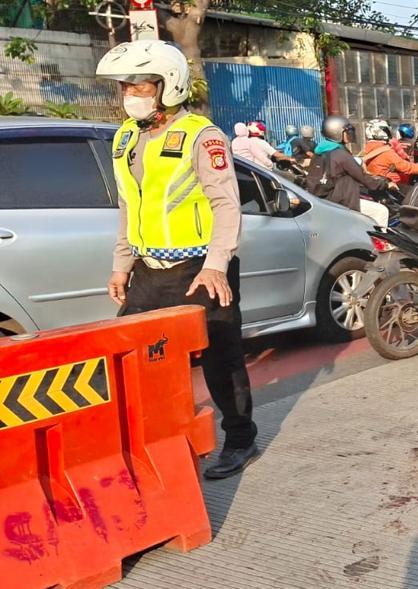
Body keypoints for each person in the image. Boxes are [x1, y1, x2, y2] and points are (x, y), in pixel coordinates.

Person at [96, 39, 258, 479]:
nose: (130, 93)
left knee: (220, 360)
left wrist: (216, 264)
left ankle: (240, 438)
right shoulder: (126, 137)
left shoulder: (201, 136)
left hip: (200, 269)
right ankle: (162, 444)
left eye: (140, 85)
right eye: (125, 86)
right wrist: (121, 264)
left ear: (168, 85)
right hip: (149, 270)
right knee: (137, 359)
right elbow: (130, 206)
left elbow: (227, 204)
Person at [313, 115, 394, 225]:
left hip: (324, 198)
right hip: (339, 200)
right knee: (381, 211)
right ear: (337, 132)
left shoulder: (321, 150)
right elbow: (362, 177)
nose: (349, 134)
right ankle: (378, 241)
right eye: (347, 131)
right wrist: (385, 184)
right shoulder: (340, 154)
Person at [361, 119, 418, 189]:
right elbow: (405, 167)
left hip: (374, 181)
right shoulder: (387, 151)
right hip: (387, 183)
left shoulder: (367, 148)